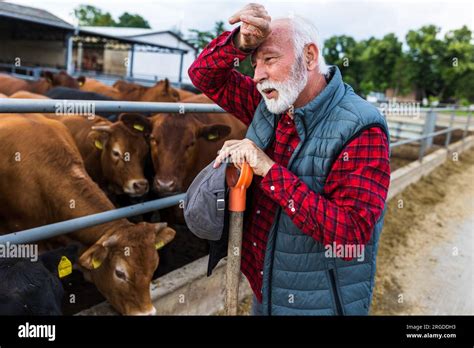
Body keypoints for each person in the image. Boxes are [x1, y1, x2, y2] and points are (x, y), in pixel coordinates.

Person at [189, 3, 391, 315]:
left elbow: (352, 234)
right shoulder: (272, 103)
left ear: (309, 57)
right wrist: (239, 44)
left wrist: (268, 171)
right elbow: (203, 76)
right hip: (266, 290)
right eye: (254, 63)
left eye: (269, 59)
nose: (257, 76)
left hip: (318, 301)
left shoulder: (361, 126)